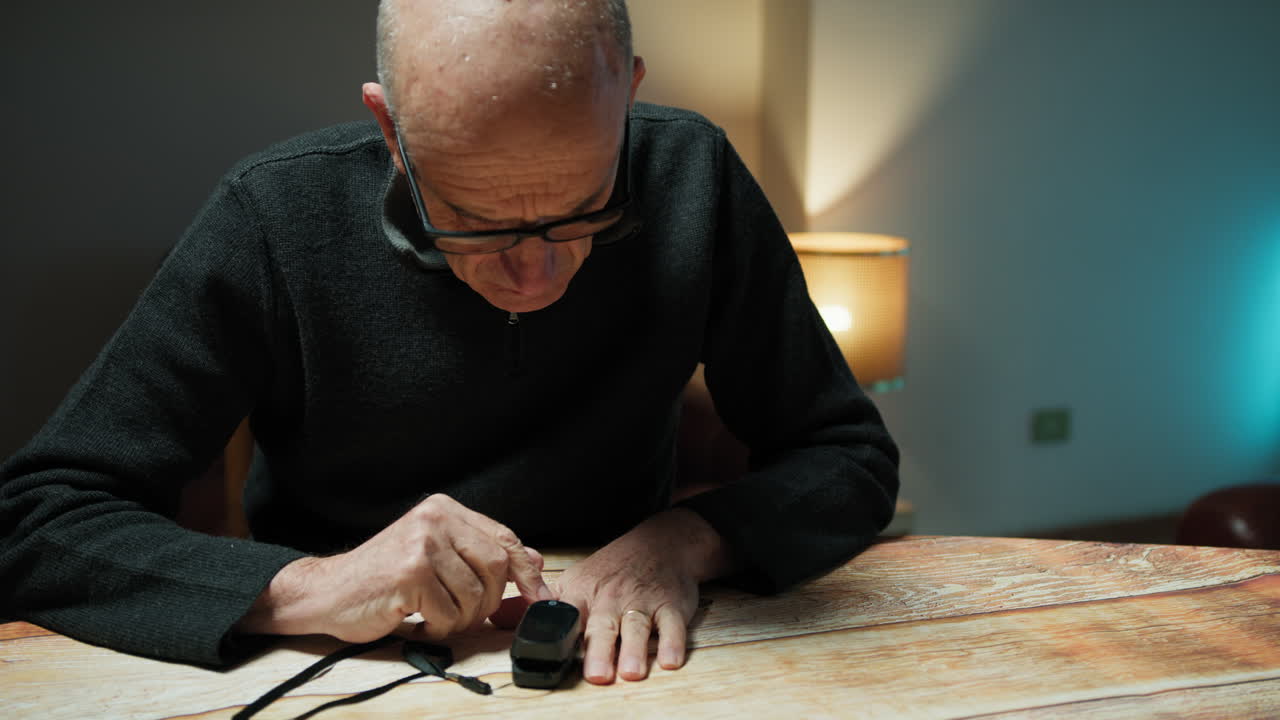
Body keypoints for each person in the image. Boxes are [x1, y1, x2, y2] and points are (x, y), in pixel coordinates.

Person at [0, 0, 898, 685]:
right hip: (340, 670)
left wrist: (685, 540)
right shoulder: (273, 217)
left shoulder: (693, 175)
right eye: (472, 220)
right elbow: (36, 521)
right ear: (391, 131)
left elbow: (848, 456)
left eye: (583, 208)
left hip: (631, 666)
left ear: (627, 96)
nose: (536, 277)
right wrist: (313, 587)